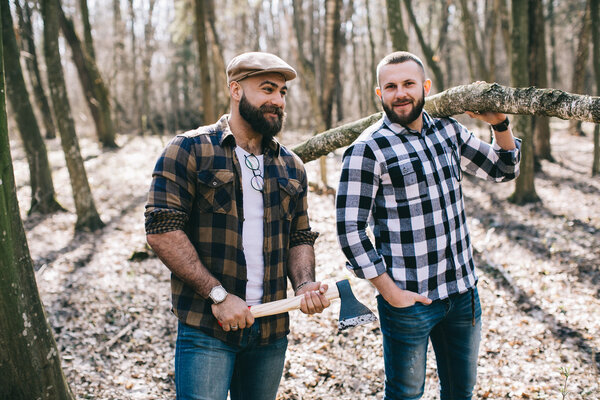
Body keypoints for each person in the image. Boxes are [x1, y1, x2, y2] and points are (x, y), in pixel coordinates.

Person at [335, 51, 521, 400]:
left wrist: (500, 124)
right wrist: (390, 293)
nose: (400, 93)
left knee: (460, 392)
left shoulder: (448, 130)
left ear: (425, 86)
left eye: (408, 83)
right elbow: (349, 231)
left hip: (463, 293)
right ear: (379, 93)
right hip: (409, 301)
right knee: (405, 394)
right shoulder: (367, 150)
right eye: (390, 86)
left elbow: (503, 169)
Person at [145, 52, 330, 400]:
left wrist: (304, 284)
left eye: (282, 93)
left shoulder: (291, 165)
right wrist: (217, 295)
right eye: (267, 89)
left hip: (271, 330)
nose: (277, 100)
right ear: (235, 90)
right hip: (207, 329)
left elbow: (300, 236)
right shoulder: (189, 149)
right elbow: (162, 228)